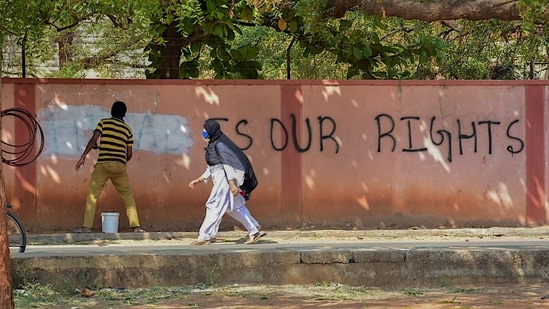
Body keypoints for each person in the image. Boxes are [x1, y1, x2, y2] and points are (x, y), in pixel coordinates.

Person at [73, 101, 145, 233]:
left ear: (112, 111)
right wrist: (120, 161)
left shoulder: (104, 123)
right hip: (120, 166)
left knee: (93, 195)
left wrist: (83, 156)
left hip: (103, 165)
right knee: (128, 196)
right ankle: (136, 227)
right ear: (124, 114)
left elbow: (93, 140)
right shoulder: (128, 129)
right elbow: (129, 154)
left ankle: (86, 227)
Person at [188, 119, 263, 245]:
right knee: (234, 208)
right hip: (222, 179)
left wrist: (232, 185)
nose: (204, 132)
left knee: (213, 205)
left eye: (206, 130)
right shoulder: (214, 145)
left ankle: (204, 237)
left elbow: (228, 165)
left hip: (225, 181)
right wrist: (200, 179)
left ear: (211, 131)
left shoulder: (219, 145)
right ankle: (254, 230)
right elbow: (213, 166)